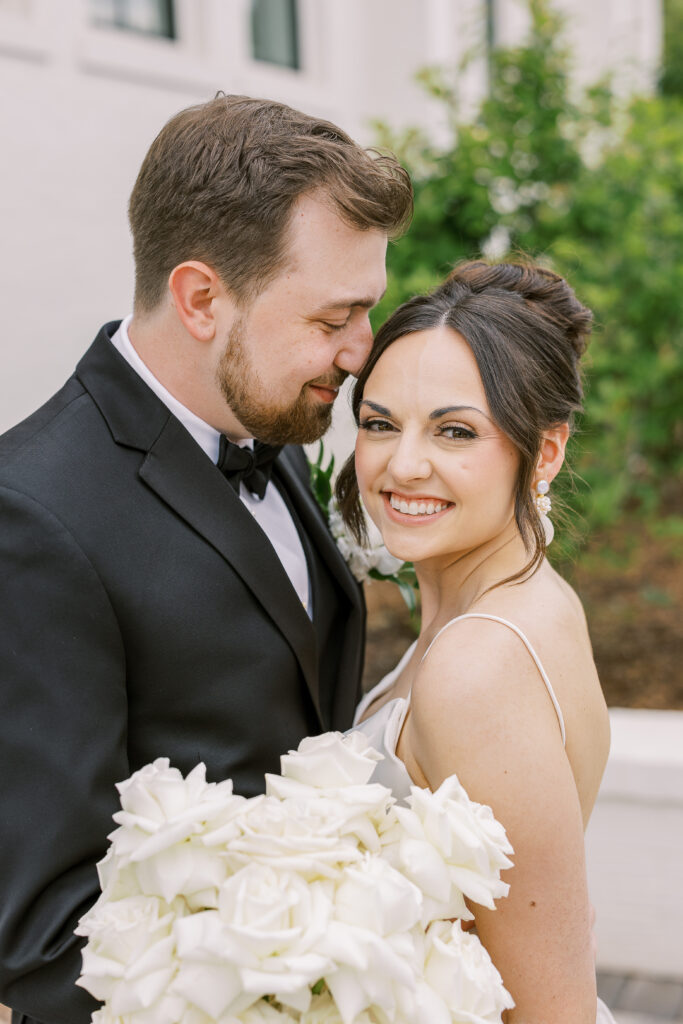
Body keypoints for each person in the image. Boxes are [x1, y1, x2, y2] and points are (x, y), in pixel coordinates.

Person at [0, 95, 412, 1024]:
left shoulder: (275, 429)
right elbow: (43, 936)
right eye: (334, 317)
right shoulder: (28, 517)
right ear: (200, 298)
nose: (361, 352)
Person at [336, 260, 617, 1023]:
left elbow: (552, 1011)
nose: (402, 465)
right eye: (378, 423)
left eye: (454, 431)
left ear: (546, 452)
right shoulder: (523, 601)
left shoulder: (479, 663)